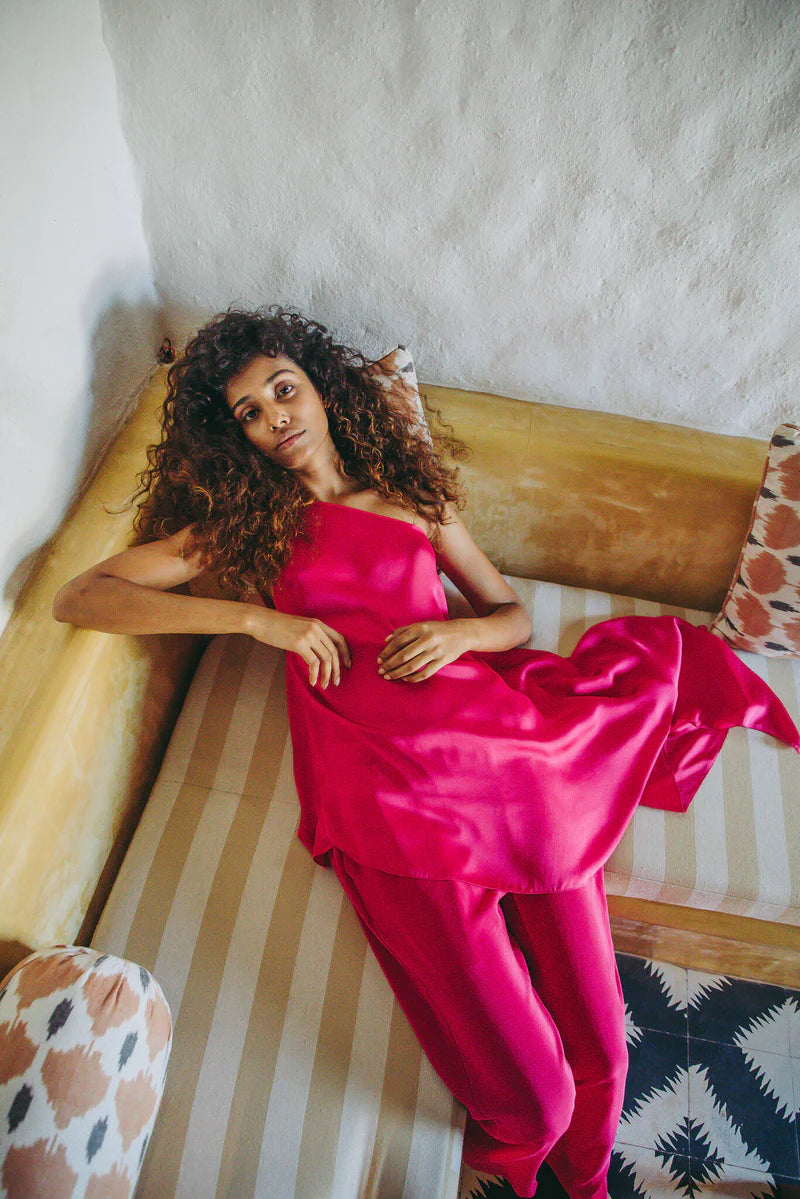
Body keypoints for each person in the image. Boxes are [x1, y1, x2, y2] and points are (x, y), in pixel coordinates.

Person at [53, 306, 800, 1199]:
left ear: (323, 389)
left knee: (604, 1049)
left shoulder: (411, 498)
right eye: (250, 411)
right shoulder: (252, 526)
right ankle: (535, 1163)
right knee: (538, 1100)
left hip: (505, 763)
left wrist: (460, 635)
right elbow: (82, 595)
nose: (275, 417)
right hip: (386, 796)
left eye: (284, 389)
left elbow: (510, 614)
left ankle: (590, 1186)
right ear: (236, 434)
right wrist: (258, 620)